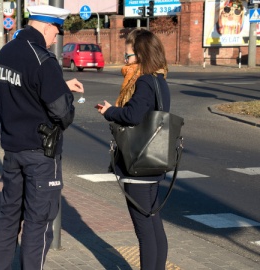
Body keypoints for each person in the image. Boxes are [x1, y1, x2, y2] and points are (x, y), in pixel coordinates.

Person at [0, 4, 83, 270]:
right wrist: (66, 96)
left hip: (12, 149)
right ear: (47, 25)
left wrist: (59, 84)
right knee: (38, 223)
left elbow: (25, 88)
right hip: (40, 153)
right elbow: (62, 112)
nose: (57, 37)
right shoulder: (44, 58)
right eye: (57, 31)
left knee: (8, 216)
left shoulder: (7, 51)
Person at [96, 28, 170, 270]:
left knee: (144, 230)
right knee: (153, 223)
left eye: (127, 56)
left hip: (137, 161)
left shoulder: (145, 81)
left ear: (139, 55)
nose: (125, 61)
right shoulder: (160, 80)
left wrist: (110, 111)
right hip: (153, 159)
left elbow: (133, 114)